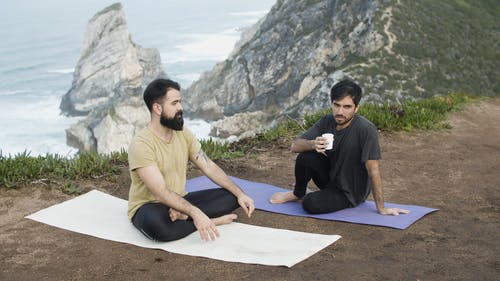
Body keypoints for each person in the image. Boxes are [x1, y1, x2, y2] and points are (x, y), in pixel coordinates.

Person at [128, 78, 255, 242]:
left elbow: (208, 166)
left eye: (180, 102)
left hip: (180, 199)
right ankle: (211, 221)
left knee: (232, 196)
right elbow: (160, 193)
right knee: (159, 227)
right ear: (157, 108)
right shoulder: (141, 144)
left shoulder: (182, 133)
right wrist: (196, 213)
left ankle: (184, 218)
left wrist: (240, 194)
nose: (180, 108)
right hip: (150, 205)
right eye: (174, 103)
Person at [270, 79, 409, 216]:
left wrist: (382, 208)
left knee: (311, 204)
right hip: (330, 178)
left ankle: (314, 196)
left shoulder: (366, 130)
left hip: (349, 191)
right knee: (306, 156)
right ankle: (297, 193)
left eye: (347, 107)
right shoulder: (327, 120)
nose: (340, 111)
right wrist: (313, 144)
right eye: (336, 105)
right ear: (331, 104)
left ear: (356, 108)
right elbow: (295, 146)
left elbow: (373, 170)